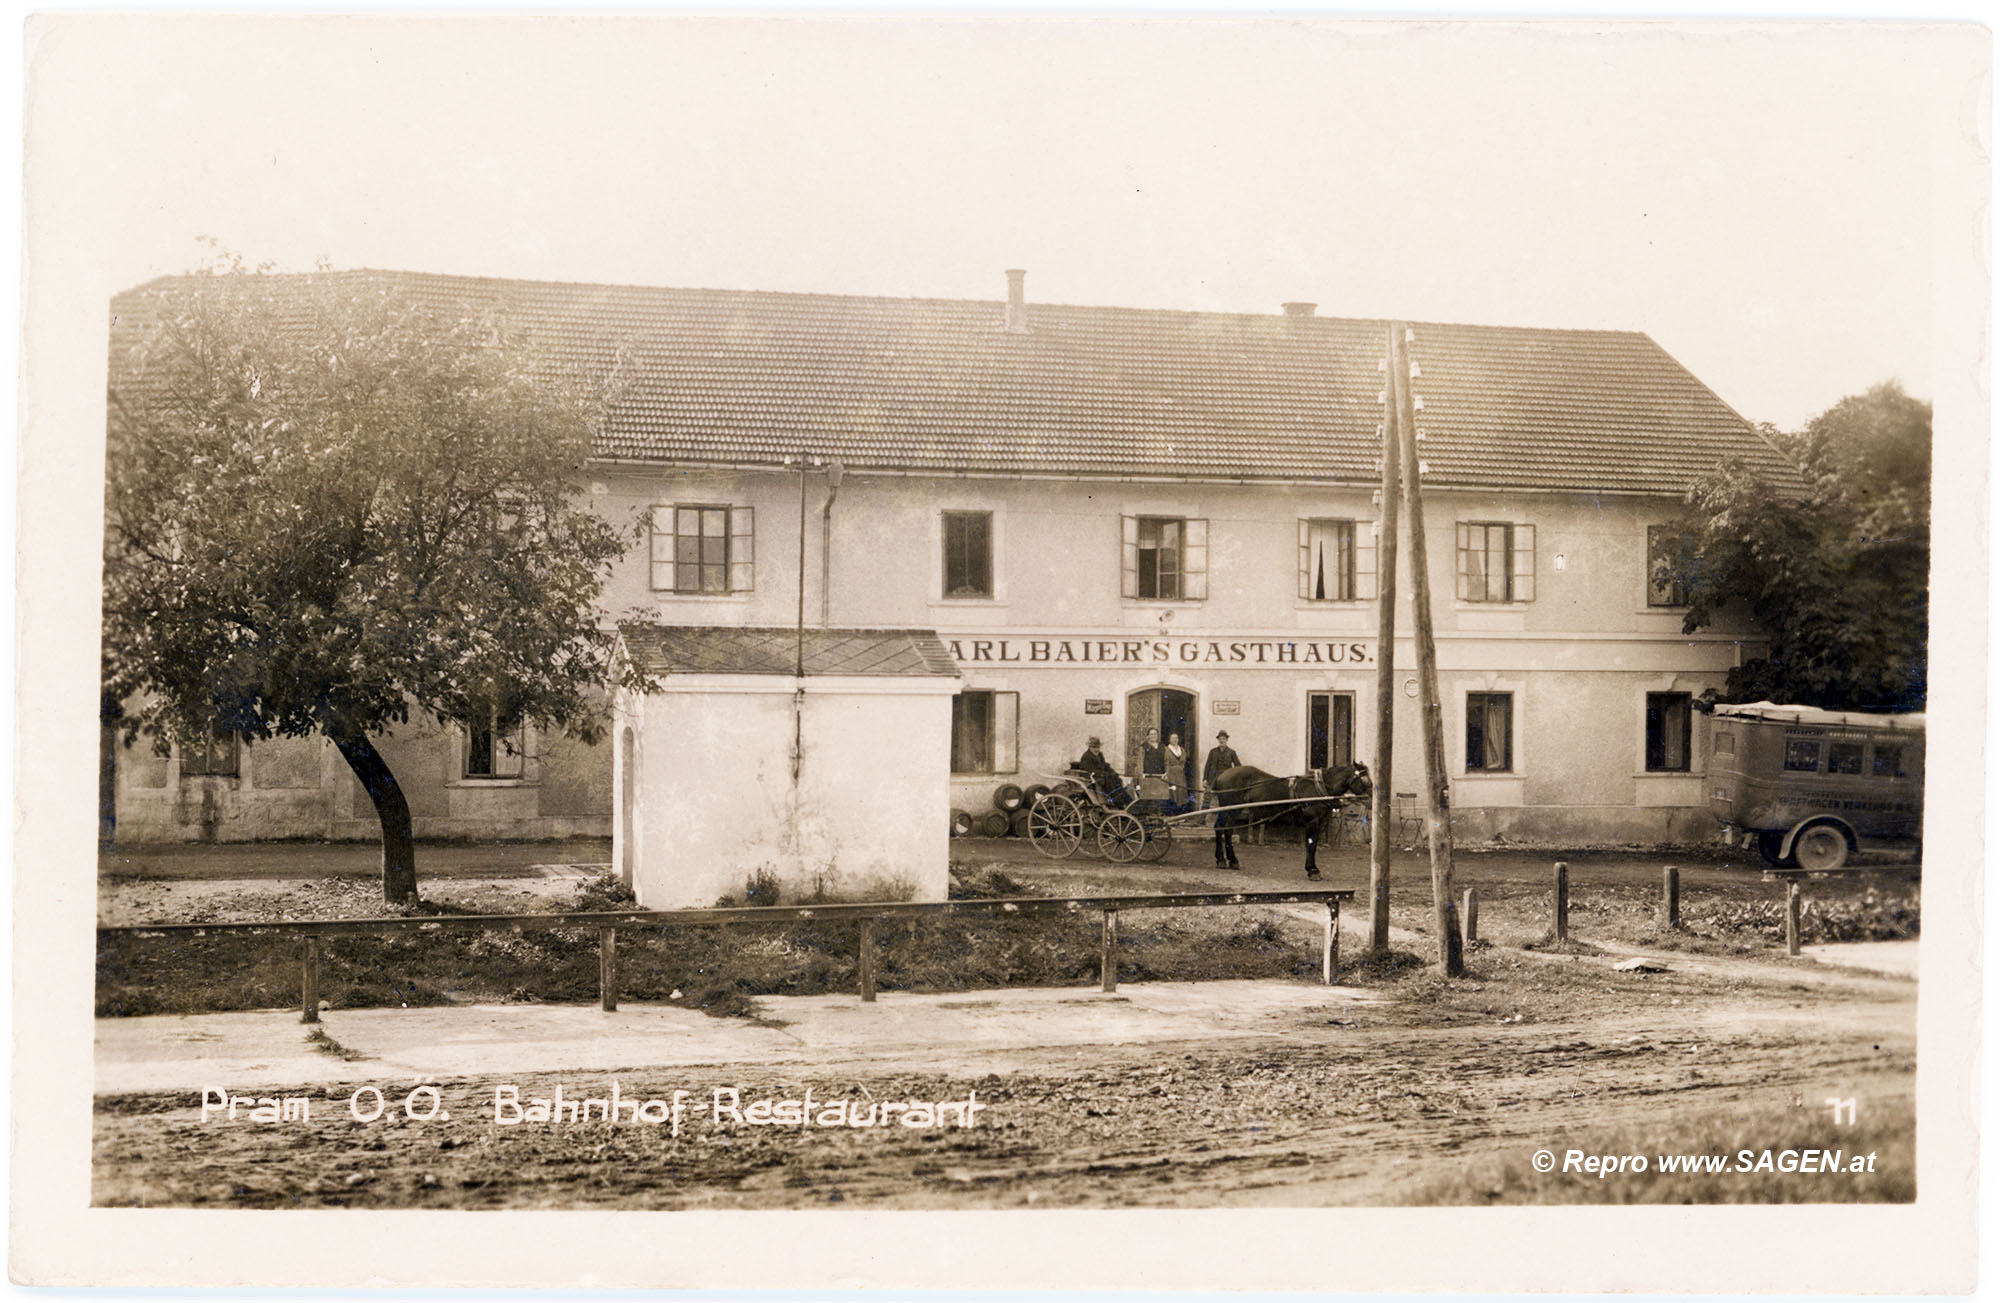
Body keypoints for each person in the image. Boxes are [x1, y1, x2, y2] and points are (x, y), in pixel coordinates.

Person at [1072, 736, 1128, 807]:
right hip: (1091, 778)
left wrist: (1113, 773)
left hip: (1100, 775)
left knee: (1117, 779)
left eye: (1098, 747)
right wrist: (1104, 774)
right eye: (1094, 747)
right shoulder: (1086, 756)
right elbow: (1090, 770)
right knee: (1109, 782)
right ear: (1090, 747)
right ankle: (1119, 804)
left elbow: (1105, 765)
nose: (1096, 749)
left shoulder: (1100, 754)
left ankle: (1126, 801)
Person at [1164, 732, 1192, 811]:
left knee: (1181, 792)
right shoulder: (1167, 749)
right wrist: (1167, 772)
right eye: (1173, 738)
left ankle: (1180, 812)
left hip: (1180, 774)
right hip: (1171, 774)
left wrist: (1180, 768)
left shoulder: (1182, 750)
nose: (1174, 740)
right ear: (1169, 740)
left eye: (1176, 738)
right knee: (1173, 792)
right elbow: (1166, 763)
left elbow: (1183, 762)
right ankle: (1172, 812)